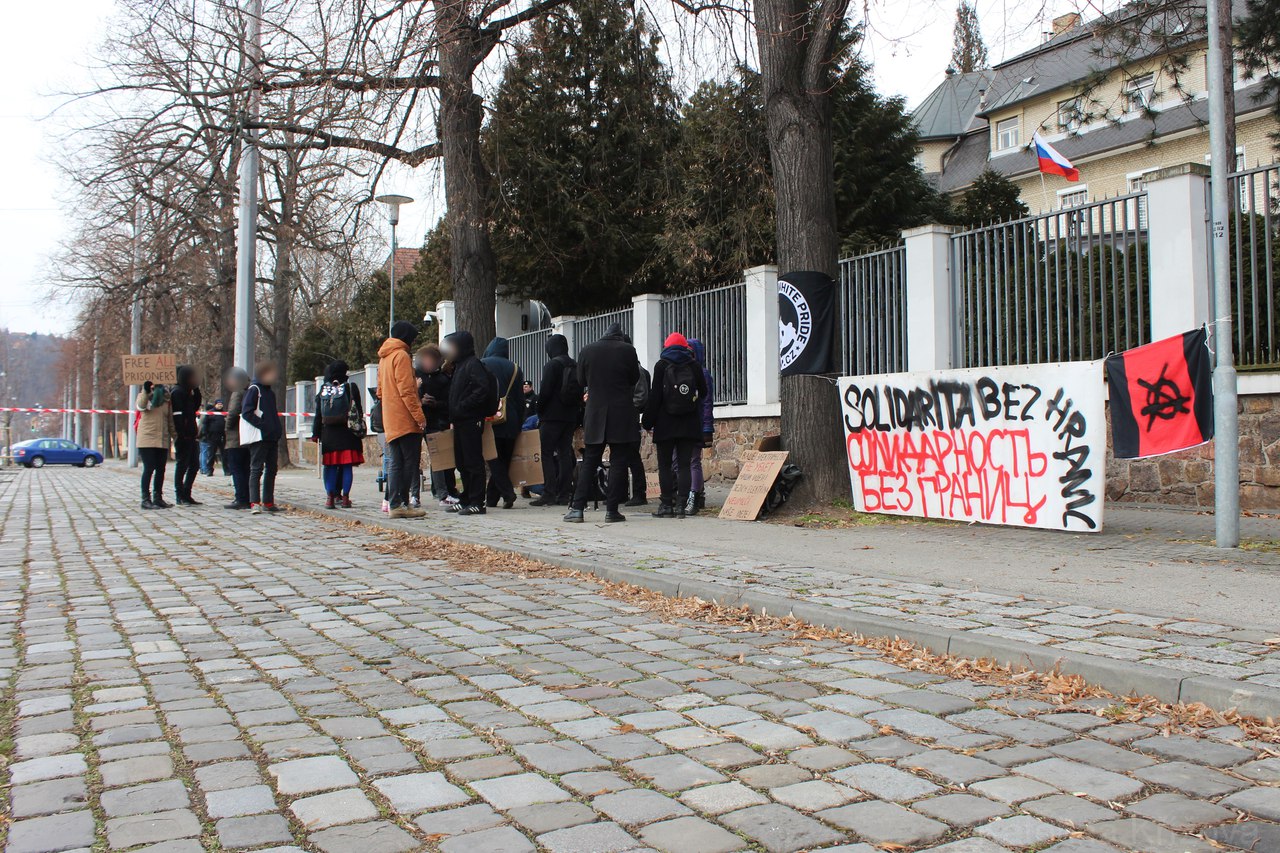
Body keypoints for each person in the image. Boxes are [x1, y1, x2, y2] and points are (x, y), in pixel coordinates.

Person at [564, 322, 640, 524]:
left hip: (596, 412)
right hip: (621, 413)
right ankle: (612, 510)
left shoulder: (588, 350)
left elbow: (581, 381)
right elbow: (634, 378)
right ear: (620, 336)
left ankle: (578, 509)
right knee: (618, 462)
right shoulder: (628, 350)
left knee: (590, 461)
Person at [644, 333, 708, 518]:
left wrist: (648, 421)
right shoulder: (694, 365)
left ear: (666, 346)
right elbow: (703, 392)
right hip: (689, 423)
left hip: (665, 423)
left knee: (664, 465)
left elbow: (655, 396)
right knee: (684, 465)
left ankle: (666, 505)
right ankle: (681, 506)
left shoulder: (661, 365)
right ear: (684, 347)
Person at [443, 330, 497, 516]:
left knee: (473, 461)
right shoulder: (459, 365)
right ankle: (466, 497)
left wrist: (463, 407)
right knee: (462, 462)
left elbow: (482, 389)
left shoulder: (473, 364)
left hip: (471, 420)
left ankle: (477, 501)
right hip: (460, 421)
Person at [378, 321, 428, 519]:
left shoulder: (385, 357)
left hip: (390, 418)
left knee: (395, 463)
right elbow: (407, 390)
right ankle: (403, 504)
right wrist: (419, 417)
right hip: (405, 419)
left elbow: (380, 391)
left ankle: (394, 503)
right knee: (409, 462)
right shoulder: (401, 355)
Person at [533, 333, 580, 506]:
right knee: (565, 454)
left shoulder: (552, 365)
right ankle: (564, 494)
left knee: (546, 454)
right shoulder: (575, 364)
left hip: (551, 417)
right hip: (569, 417)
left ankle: (549, 493)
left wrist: (539, 410)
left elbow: (545, 392)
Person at [312, 360, 365, 509]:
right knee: (346, 467)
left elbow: (318, 414)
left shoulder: (323, 389)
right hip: (348, 433)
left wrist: (315, 434)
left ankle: (330, 498)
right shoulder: (350, 387)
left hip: (328, 434)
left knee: (329, 466)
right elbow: (358, 411)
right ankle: (346, 498)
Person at [482, 336, 524, 510]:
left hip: (491, 417)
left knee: (492, 458)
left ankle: (508, 493)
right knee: (504, 459)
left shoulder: (482, 364)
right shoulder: (514, 367)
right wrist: (520, 421)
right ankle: (491, 498)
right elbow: (520, 399)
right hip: (511, 418)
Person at [416, 344, 459, 507]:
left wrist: (435, 404)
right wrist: (420, 401)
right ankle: (414, 494)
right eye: (425, 359)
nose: (428, 363)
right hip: (419, 421)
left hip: (437, 423)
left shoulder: (443, 379)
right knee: (413, 459)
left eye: (431, 360)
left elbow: (449, 403)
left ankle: (442, 492)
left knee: (439, 458)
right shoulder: (415, 377)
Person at [241, 361, 283, 514]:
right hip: (260, 437)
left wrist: (276, 430)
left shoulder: (269, 392)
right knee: (256, 469)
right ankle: (254, 502)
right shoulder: (254, 389)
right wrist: (263, 425)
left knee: (272, 469)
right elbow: (247, 412)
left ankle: (268, 501)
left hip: (272, 437)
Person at [686, 338, 715, 514]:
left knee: (693, 461)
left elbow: (706, 402)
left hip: (697, 425)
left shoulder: (702, 374)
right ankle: (697, 494)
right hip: (688, 423)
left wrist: (706, 427)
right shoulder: (686, 372)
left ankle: (695, 496)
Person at [135, 380, 173, 510]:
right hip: (147, 438)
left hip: (162, 439)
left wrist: (175, 436)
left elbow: (169, 420)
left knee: (161, 469)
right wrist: (146, 390)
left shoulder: (166, 399)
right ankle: (145, 499)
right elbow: (141, 406)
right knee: (149, 468)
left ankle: (158, 497)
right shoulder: (144, 395)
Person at [170, 364, 204, 505]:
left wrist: (196, 389)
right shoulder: (177, 392)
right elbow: (178, 415)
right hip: (183, 435)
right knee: (182, 465)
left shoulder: (188, 392)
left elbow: (195, 406)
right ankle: (180, 495)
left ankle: (187, 492)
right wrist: (180, 433)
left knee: (194, 465)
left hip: (191, 434)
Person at [222, 369, 251, 509]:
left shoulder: (237, 393)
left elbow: (233, 413)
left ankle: (241, 498)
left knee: (237, 468)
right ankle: (249, 496)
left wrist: (226, 428)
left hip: (236, 438)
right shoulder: (251, 391)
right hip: (248, 438)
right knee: (246, 469)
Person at [626, 359, 651, 507]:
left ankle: (639, 493)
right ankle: (623, 492)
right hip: (626, 417)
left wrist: (629, 408)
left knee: (632, 456)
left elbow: (641, 396)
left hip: (630, 418)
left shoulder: (636, 369)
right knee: (623, 457)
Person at [198, 400, 226, 476]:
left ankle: (227, 470)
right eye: (218, 404)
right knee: (211, 455)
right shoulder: (210, 413)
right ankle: (209, 470)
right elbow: (205, 424)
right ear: (215, 405)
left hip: (222, 436)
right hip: (212, 436)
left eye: (221, 404)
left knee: (224, 455)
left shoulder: (224, 413)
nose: (220, 405)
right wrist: (206, 434)